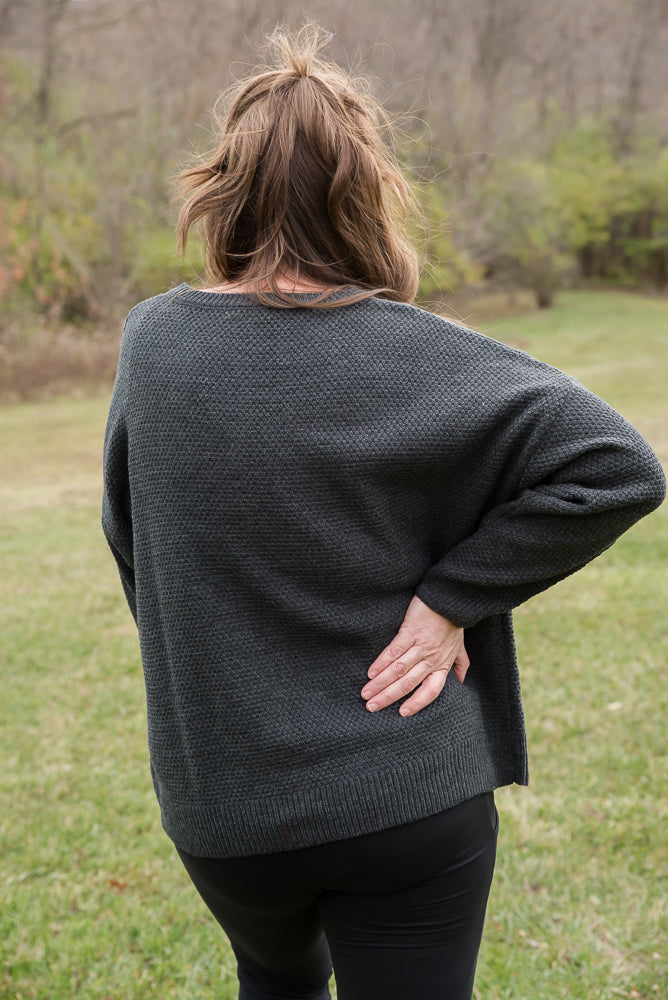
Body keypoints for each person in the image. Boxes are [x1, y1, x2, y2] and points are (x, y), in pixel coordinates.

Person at [101, 24, 666, 1000]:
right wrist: (453, 598)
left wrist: (443, 597)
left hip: (225, 809)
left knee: (273, 982)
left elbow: (130, 541)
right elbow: (614, 463)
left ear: (222, 190)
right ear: (365, 189)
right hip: (407, 796)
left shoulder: (151, 344)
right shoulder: (420, 352)